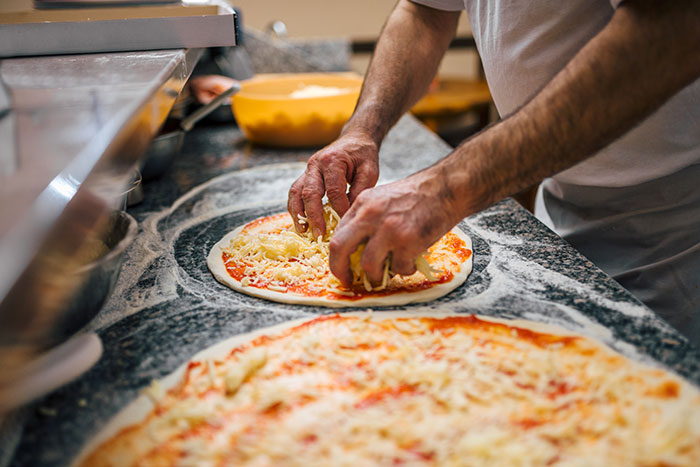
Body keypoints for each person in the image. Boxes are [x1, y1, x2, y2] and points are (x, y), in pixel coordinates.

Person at [287, 0, 700, 345]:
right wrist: (362, 129)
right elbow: (424, 12)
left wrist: (444, 190)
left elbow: (670, 27)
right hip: (564, 202)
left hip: (680, 225)